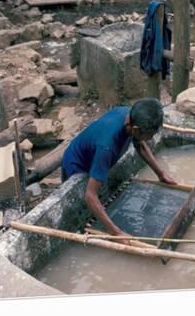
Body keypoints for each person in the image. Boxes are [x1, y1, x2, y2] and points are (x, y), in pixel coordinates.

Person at [61, 98, 177, 238]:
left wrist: (161, 173)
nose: (150, 138)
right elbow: (90, 196)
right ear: (135, 129)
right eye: (149, 136)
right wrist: (116, 233)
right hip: (77, 165)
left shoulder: (130, 115)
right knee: (80, 212)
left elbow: (139, 143)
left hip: (95, 153)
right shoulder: (107, 146)